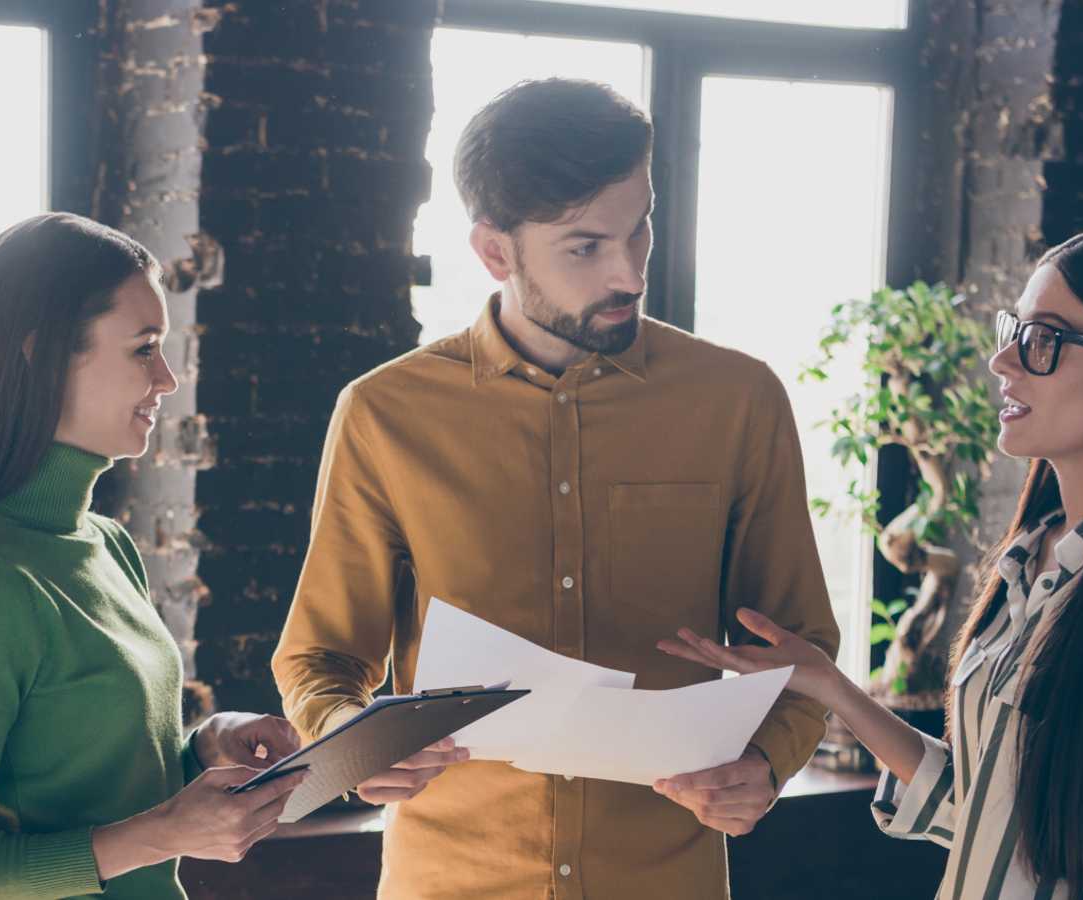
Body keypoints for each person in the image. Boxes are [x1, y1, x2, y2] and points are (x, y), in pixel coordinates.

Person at [271, 78, 841, 898]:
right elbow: (322, 655)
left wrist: (767, 760)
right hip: (451, 880)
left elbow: (798, 640)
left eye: (640, 230)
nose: (630, 273)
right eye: (585, 247)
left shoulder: (738, 400)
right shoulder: (384, 414)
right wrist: (349, 740)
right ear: (495, 252)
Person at [661, 223, 1083, 898]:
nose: (1002, 361)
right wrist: (833, 688)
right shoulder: (1031, 554)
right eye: (1015, 329)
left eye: (1046, 340)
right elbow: (988, 812)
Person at [0, 213, 308, 899]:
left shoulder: (106, 544)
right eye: (144, 348)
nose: (167, 378)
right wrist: (168, 832)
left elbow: (96, 785)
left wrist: (205, 746)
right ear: (41, 352)